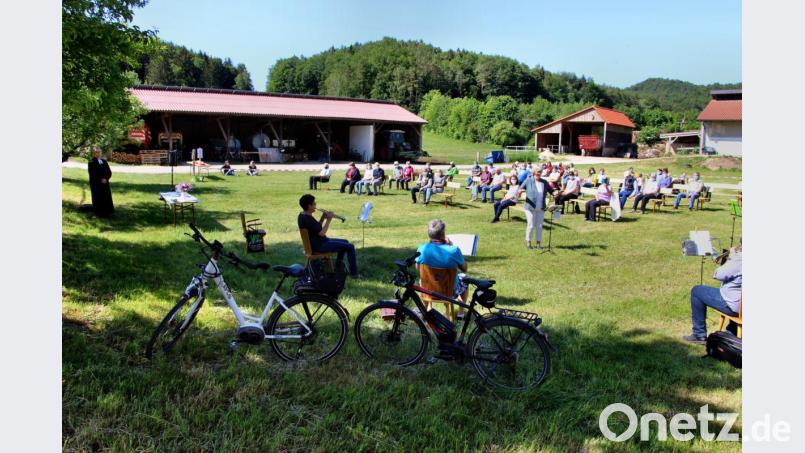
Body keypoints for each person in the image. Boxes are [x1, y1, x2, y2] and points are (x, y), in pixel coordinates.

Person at [683, 244, 742, 343]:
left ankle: (699, 334)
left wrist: (731, 257)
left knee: (697, 291)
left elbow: (718, 275)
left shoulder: (739, 259)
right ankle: (732, 331)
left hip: (735, 306)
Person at [297, 194, 359, 278]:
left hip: (318, 242)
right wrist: (329, 220)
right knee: (350, 247)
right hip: (320, 245)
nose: (316, 205)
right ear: (309, 206)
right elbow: (322, 232)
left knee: (345, 242)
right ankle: (354, 274)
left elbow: (316, 228)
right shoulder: (307, 219)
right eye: (314, 204)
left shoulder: (302, 216)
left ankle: (338, 266)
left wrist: (323, 218)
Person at [415, 219, 468, 317]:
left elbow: (418, 269)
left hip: (428, 290)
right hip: (449, 292)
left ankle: (428, 308)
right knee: (464, 278)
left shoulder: (422, 248)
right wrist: (451, 245)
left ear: (429, 234)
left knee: (422, 280)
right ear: (443, 233)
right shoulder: (454, 250)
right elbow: (465, 268)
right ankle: (461, 312)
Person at [520, 168, 549, 249]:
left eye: (540, 173)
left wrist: (556, 193)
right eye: (537, 173)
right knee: (531, 225)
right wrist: (520, 191)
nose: (538, 174)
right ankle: (529, 243)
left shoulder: (544, 182)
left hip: (541, 207)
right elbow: (521, 187)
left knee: (539, 226)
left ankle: (538, 244)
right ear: (533, 173)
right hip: (530, 207)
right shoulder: (529, 180)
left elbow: (551, 190)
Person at [88, 147, 114, 217]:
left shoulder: (104, 161)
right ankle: (98, 212)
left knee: (106, 197)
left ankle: (107, 212)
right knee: (98, 198)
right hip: (96, 184)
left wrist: (106, 179)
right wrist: (100, 179)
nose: (98, 153)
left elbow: (109, 172)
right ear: (94, 153)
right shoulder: (91, 162)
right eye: (97, 152)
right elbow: (93, 173)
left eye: (99, 152)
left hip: (105, 183)